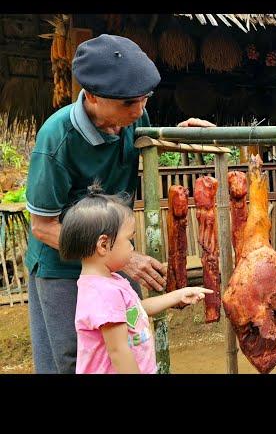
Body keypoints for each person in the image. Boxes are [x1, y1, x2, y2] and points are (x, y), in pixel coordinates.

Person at [25, 34, 215, 373]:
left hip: (110, 256)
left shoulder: (132, 117)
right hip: (61, 266)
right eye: (130, 103)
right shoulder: (55, 140)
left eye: (144, 100)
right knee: (73, 358)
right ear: (94, 97)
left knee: (130, 332)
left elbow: (148, 142)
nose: (140, 111)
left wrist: (182, 138)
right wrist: (122, 259)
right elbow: (42, 226)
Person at [58, 185, 211, 374]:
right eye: (129, 239)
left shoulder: (109, 282)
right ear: (103, 245)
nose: (132, 247)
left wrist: (178, 295)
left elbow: (136, 311)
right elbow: (118, 351)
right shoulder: (104, 293)